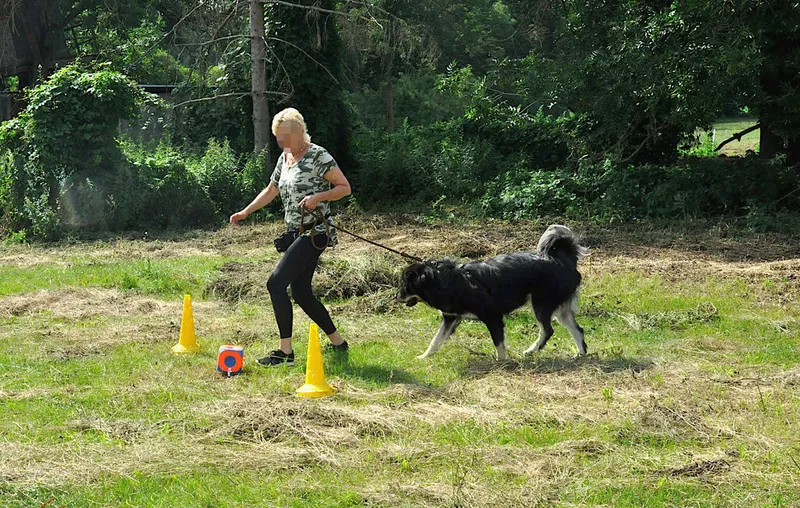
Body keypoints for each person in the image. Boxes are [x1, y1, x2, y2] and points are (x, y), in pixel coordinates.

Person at [230, 108, 351, 366]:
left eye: (284, 137)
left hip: (315, 233)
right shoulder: (285, 157)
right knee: (301, 292)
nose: (280, 142)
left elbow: (344, 188)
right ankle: (338, 342)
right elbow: (271, 189)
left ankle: (285, 353)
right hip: (294, 233)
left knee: (275, 284)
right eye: (277, 137)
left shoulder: (318, 155)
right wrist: (246, 212)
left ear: (299, 133)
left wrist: (318, 197)